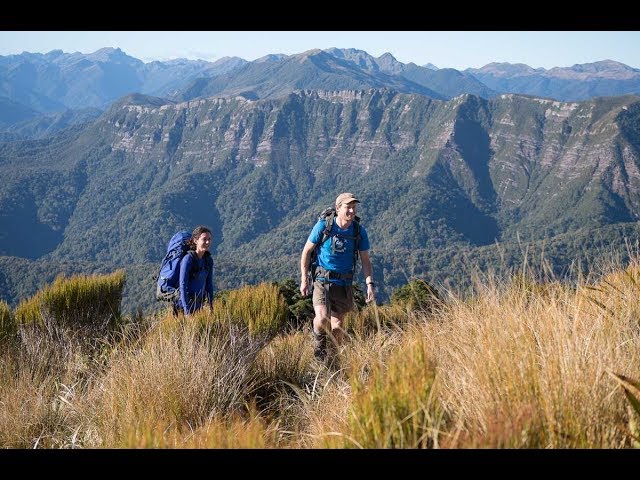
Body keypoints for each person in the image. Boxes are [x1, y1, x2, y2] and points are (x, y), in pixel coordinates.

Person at [300, 193, 375, 361]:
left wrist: (369, 283)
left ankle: (332, 359)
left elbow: (365, 260)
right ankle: (319, 348)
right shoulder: (324, 226)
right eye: (347, 207)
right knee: (322, 318)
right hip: (322, 280)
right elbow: (306, 252)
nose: (351, 211)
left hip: (344, 282)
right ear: (338, 209)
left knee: (338, 327)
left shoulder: (358, 231)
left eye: (353, 207)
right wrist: (304, 279)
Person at [175, 225, 214, 316]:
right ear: (195, 241)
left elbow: (209, 285)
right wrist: (187, 312)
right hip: (183, 308)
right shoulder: (188, 259)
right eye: (204, 239)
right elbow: (182, 286)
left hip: (199, 307)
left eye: (209, 239)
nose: (207, 242)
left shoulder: (208, 260)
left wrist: (211, 306)